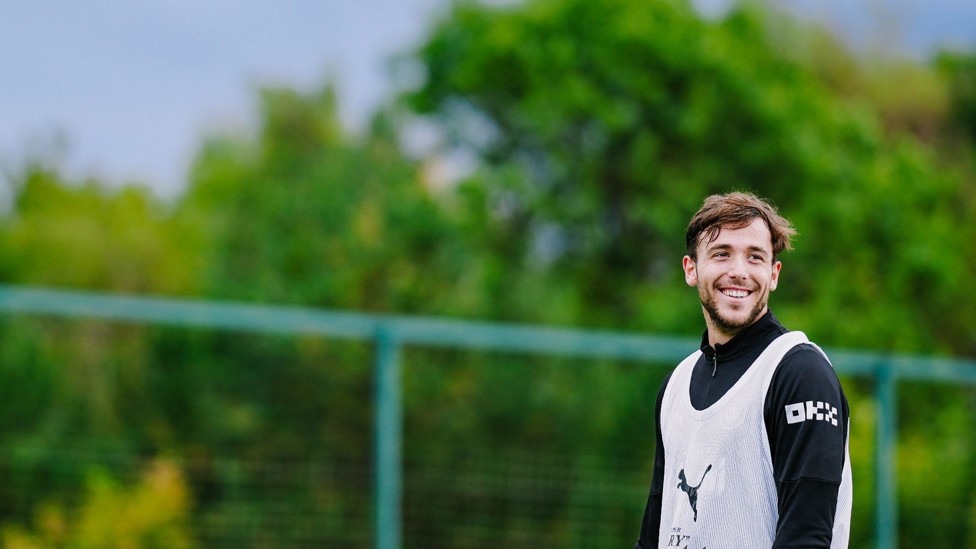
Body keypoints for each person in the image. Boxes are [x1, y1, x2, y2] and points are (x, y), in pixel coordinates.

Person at [634, 192, 852, 548]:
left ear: (773, 273)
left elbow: (807, 538)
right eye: (722, 254)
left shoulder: (799, 374)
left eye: (755, 257)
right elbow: (652, 537)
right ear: (691, 269)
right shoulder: (675, 385)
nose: (739, 271)